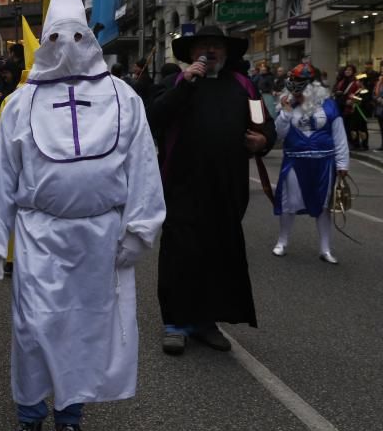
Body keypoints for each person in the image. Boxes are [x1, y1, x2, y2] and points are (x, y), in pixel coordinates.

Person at [0, 0, 165, 431]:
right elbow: (0, 177)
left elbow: (142, 168)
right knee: (34, 333)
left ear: (91, 39)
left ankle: (72, 419)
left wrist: (139, 230)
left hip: (100, 240)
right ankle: (29, 418)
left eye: (76, 36)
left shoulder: (125, 99)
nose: (66, 47)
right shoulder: (20, 105)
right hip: (41, 240)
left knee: (86, 332)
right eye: (55, 37)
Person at [148, 25, 275, 356]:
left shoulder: (244, 87)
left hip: (227, 188)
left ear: (227, 52)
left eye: (216, 46)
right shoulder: (177, 83)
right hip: (182, 186)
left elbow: (265, 125)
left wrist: (263, 141)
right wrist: (186, 82)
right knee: (181, 254)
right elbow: (155, 118)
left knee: (218, 255)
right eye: (204, 46)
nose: (211, 51)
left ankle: (205, 322)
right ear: (192, 54)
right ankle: (175, 323)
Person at [271, 62, 348, 264]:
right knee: (289, 203)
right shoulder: (287, 103)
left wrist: (342, 164)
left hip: (324, 162)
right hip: (296, 160)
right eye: (293, 82)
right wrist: (286, 112)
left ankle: (325, 248)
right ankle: (282, 241)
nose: (295, 87)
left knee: (323, 206)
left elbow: (339, 136)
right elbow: (279, 135)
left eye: (300, 83)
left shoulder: (329, 106)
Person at [333, 64, 367, 150]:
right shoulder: (341, 81)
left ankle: (360, 144)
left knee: (357, 127)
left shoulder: (357, 82)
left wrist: (352, 100)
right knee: (347, 127)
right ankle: (351, 143)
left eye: (350, 70)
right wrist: (337, 94)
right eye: (346, 70)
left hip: (355, 108)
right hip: (343, 107)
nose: (347, 71)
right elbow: (336, 92)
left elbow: (363, 94)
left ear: (353, 71)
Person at [374, 71, 383, 150]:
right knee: (381, 127)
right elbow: (374, 93)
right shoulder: (378, 83)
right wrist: (377, 98)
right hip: (380, 109)